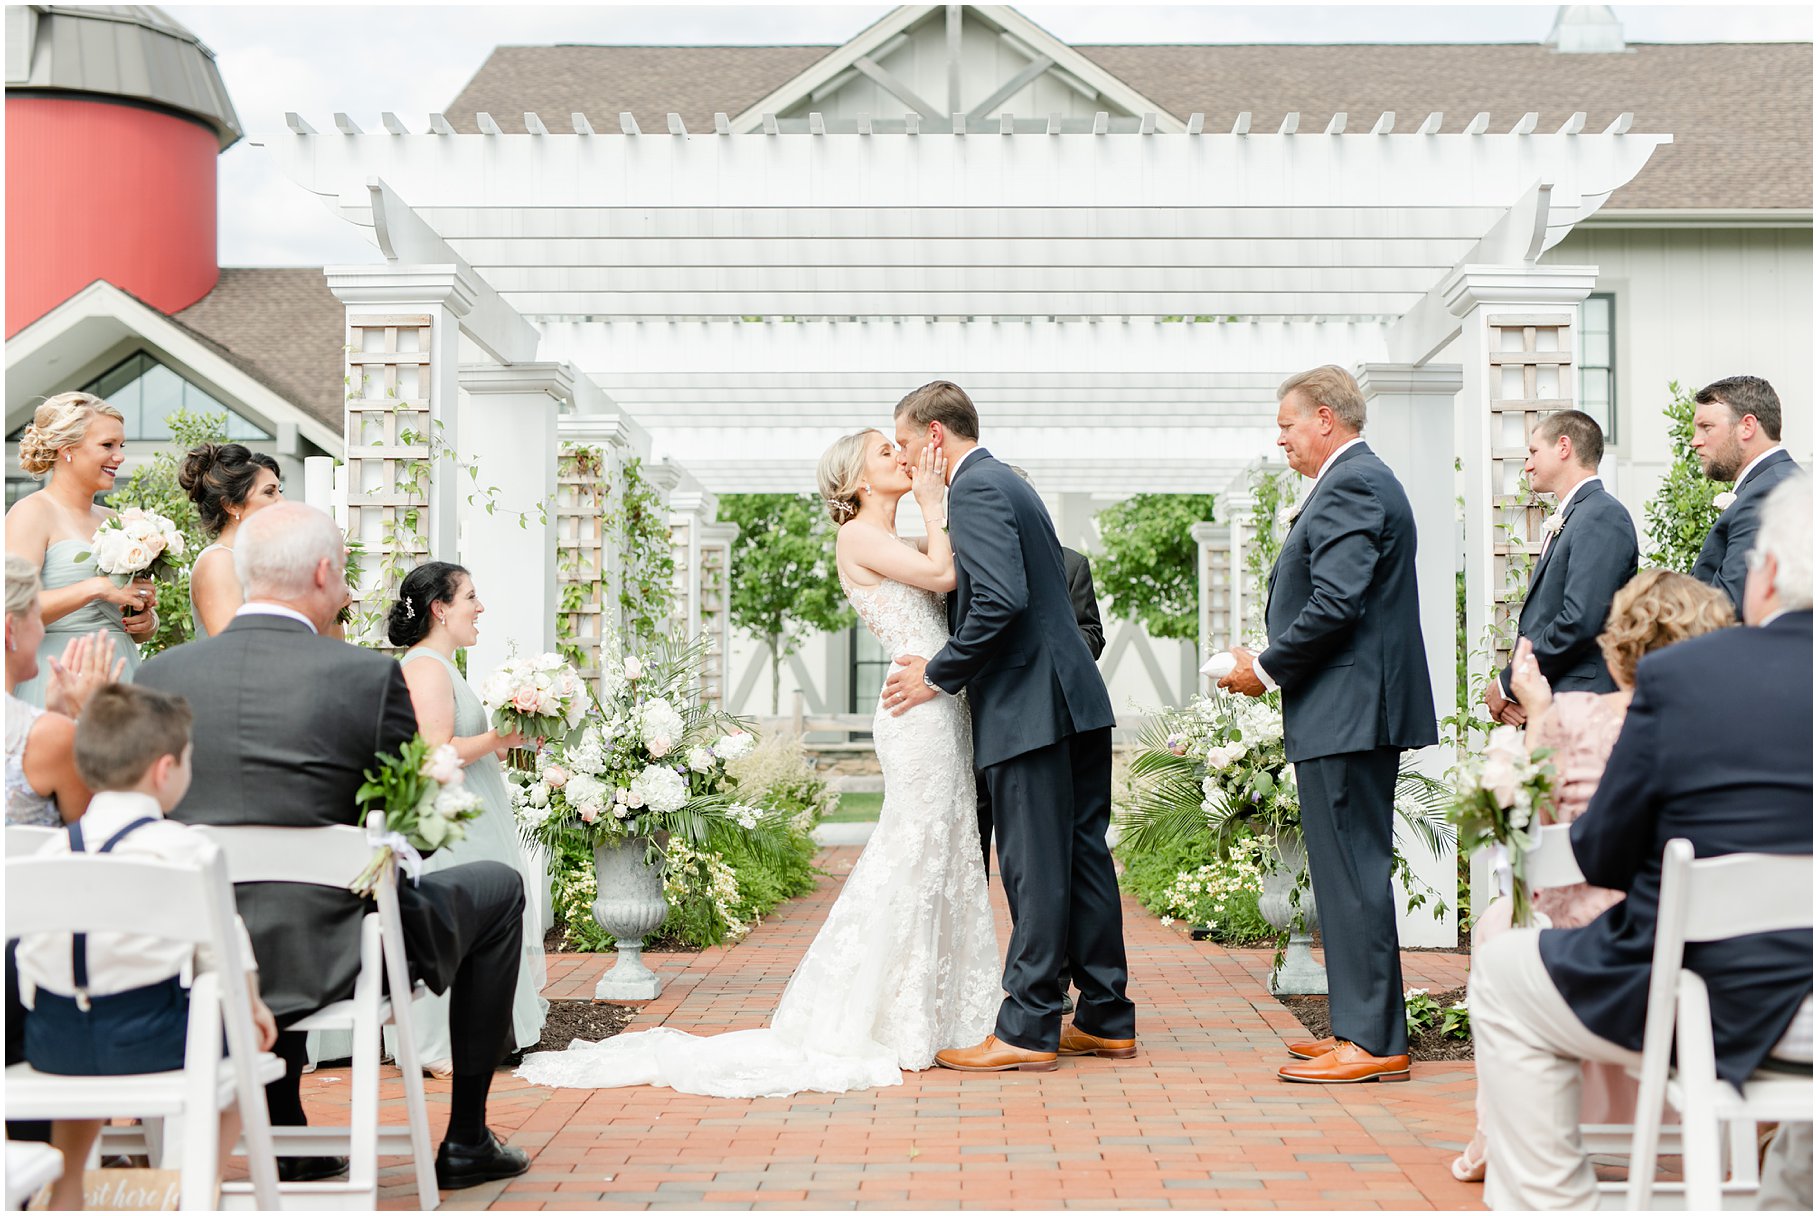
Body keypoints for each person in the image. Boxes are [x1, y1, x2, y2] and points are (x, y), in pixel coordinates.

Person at [134, 503, 531, 1191]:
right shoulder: (365, 678)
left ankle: (285, 1134)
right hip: (339, 947)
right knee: (498, 886)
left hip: (203, 945)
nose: (348, 592)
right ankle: (466, 1136)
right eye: (345, 574)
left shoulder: (160, 676)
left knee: (263, 903)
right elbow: (403, 818)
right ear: (322, 572)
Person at [1471, 475, 1812, 1210]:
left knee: (1501, 975)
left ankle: (1560, 1204)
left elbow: (1600, 854)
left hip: (1710, 995)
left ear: (1773, 573)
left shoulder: (1687, 676)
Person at [1449, 569, 1734, 1182]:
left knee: (1502, 925)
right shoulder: (1733, 735)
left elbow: (1539, 835)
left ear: (1618, 642)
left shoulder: (1573, 716)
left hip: (1599, 951)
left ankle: (1519, 1144)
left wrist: (1536, 719)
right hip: (1720, 960)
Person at [883, 381, 1136, 1073]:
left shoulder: (976, 489)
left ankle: (1026, 1028)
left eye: (905, 443)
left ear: (935, 436)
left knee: (1036, 866)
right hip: (1071, 699)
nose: (904, 459)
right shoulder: (1007, 484)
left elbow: (996, 601)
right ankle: (1107, 1016)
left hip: (1031, 705)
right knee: (1082, 858)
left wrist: (937, 673)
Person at [1219, 364, 1436, 1084]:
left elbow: (1337, 602)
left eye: (1286, 424)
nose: (1279, 438)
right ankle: (1358, 1025)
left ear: (1324, 418)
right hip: (1342, 709)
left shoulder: (1352, 484)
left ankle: (1373, 1043)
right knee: (1345, 873)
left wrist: (1268, 667)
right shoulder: (1354, 483)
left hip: (1348, 711)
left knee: (1351, 876)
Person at [14, 683, 279, 1211]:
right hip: (153, 1041)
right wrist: (250, 1006)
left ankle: (67, 1189)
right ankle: (193, 1179)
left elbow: (25, 957)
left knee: (83, 1037)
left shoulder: (46, 852)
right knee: (246, 1048)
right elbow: (226, 952)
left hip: (51, 1043)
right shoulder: (187, 850)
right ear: (164, 770)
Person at [387, 562, 547, 1076]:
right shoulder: (426, 667)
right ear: (440, 609)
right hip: (453, 823)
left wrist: (511, 741)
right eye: (471, 598)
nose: (481, 609)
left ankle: (483, 1032)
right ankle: (439, 1046)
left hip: (475, 811)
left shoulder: (442, 665)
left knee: (482, 925)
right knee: (459, 922)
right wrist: (501, 738)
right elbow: (437, 752)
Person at [976, 465, 1106, 1015]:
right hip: (972, 727)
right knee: (971, 860)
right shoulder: (961, 560)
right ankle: (980, 978)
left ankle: (1044, 985)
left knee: (1037, 865)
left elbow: (1089, 636)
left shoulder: (1071, 563)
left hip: (1036, 724)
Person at [1482, 410, 1637, 726]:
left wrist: (1510, 681)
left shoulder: (1601, 516)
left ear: (1563, 447)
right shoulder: (1579, 515)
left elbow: (1579, 620)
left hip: (1582, 703)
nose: (1528, 465)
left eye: (1534, 452)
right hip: (1554, 699)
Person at [4, 392, 156, 705]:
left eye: (121, 446)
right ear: (68, 449)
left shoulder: (116, 521)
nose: (120, 456)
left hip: (120, 676)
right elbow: (13, 612)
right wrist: (97, 588)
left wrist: (145, 620)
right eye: (107, 445)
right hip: (59, 675)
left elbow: (134, 626)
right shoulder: (31, 512)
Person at [6, 555, 124, 825]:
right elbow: (97, 828)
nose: (42, 631)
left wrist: (58, 716)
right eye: (38, 618)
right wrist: (89, 716)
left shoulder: (48, 730)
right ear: (10, 629)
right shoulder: (49, 736)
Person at [1689, 375, 1801, 614]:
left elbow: (1730, 604)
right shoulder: (1773, 481)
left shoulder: (1769, 492)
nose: (1694, 441)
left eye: (1706, 427)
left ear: (1747, 426)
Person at [178, 443, 286, 638]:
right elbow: (235, 650)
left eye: (280, 491)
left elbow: (330, 645)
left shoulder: (268, 562)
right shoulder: (219, 562)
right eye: (269, 492)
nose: (282, 502)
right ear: (232, 505)